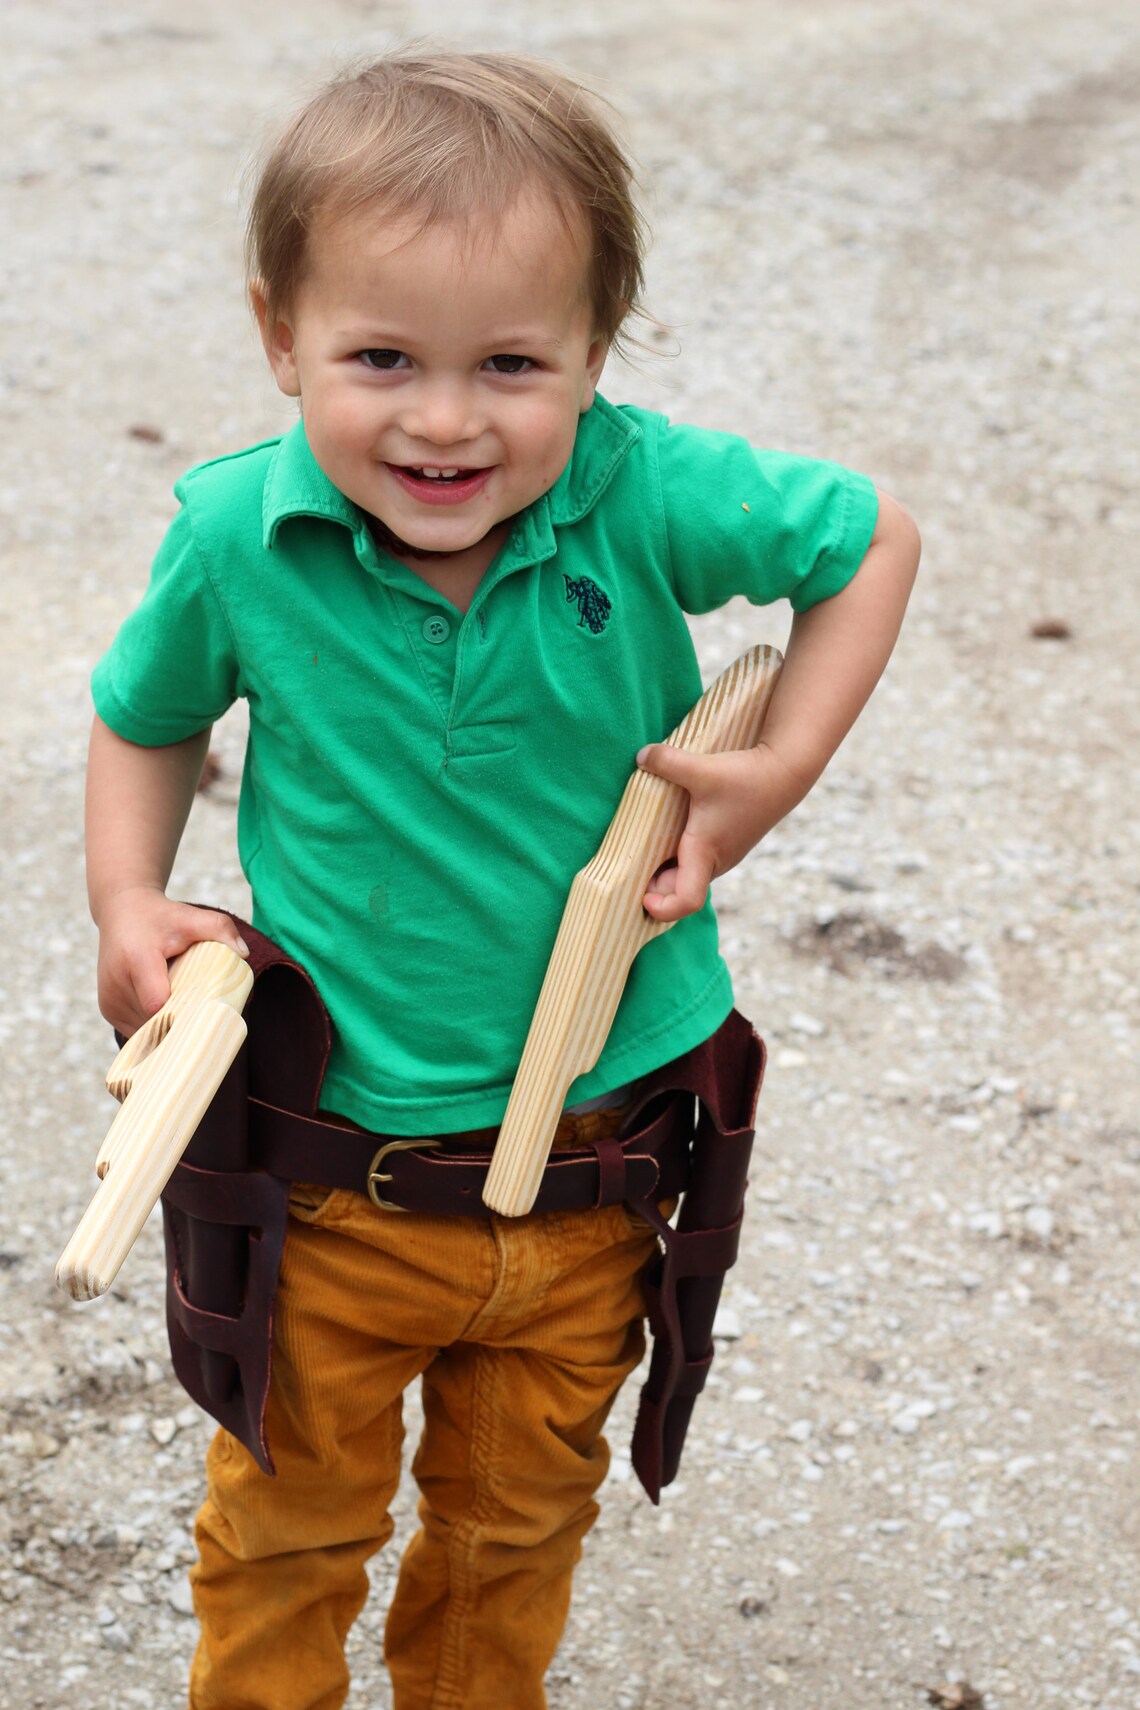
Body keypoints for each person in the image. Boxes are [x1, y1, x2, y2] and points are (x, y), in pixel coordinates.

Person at [85, 49, 920, 1710]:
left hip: (596, 1171)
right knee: (287, 1531)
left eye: (514, 363)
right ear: (280, 336)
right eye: (381, 355)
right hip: (333, 1182)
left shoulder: (637, 494)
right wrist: (129, 899)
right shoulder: (242, 537)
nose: (449, 417)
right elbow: (144, 716)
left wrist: (778, 771)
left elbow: (868, 540)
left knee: (511, 1530)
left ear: (596, 354)